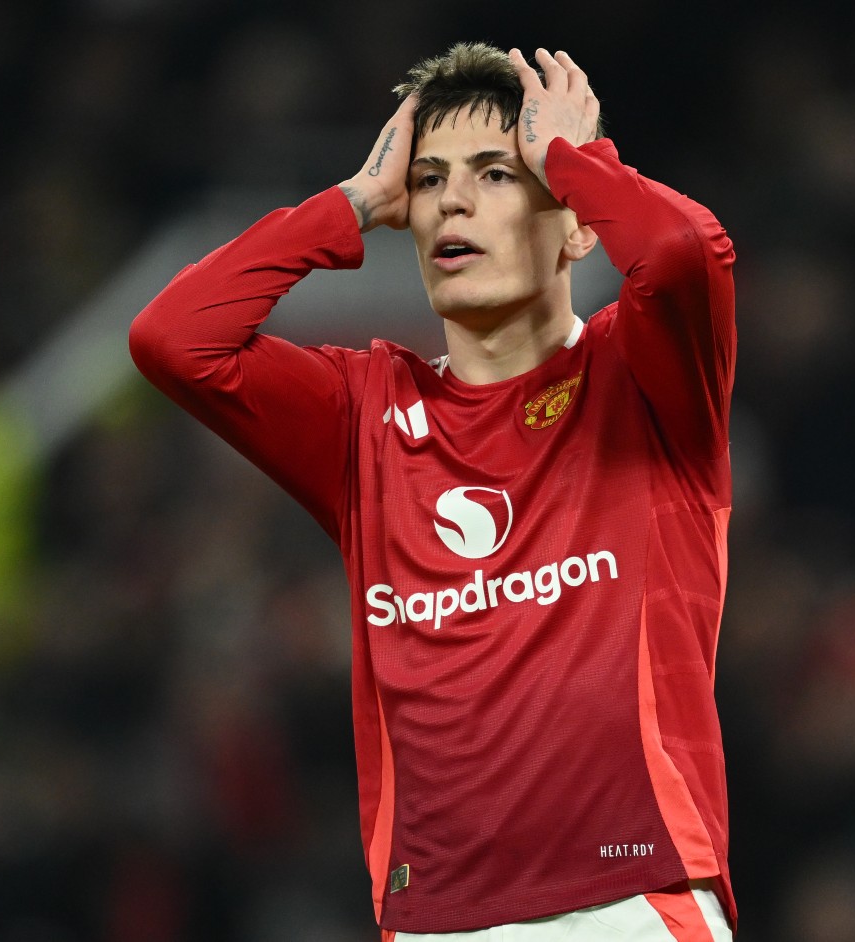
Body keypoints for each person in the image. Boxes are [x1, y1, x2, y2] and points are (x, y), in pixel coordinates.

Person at [130, 41, 737, 942]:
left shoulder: (644, 379)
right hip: (434, 921)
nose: (452, 200)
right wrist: (348, 206)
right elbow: (172, 339)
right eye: (428, 180)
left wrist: (577, 158)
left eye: (498, 173)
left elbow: (686, 251)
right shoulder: (362, 415)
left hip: (635, 904)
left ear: (575, 224)